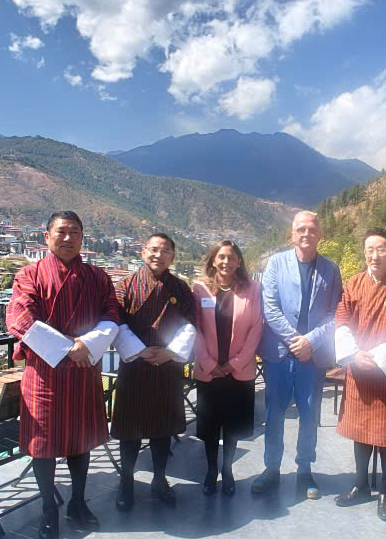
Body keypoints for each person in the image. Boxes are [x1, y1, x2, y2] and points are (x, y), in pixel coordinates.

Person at [7, 211, 120, 539]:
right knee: (43, 447)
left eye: (75, 232)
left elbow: (112, 313)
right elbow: (21, 319)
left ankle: (78, 503)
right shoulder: (29, 275)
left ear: (83, 238)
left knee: (80, 442)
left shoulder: (98, 277)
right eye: (61, 231)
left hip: (84, 370)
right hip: (45, 374)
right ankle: (48, 509)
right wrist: (71, 348)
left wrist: (87, 344)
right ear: (47, 237)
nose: (68, 238)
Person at [252, 211, 342, 499]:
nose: (306, 233)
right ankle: (271, 469)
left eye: (312, 229)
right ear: (292, 234)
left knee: (309, 414)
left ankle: (305, 470)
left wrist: (310, 342)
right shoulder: (276, 263)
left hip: (312, 357)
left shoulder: (331, 269)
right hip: (280, 354)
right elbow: (270, 307)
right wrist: (295, 341)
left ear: (320, 234)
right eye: (300, 229)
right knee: (274, 414)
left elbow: (335, 314)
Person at [332, 228, 386, 522]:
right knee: (361, 431)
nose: (375, 255)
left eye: (381, 249)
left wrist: (379, 358)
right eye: (370, 249)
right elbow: (341, 319)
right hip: (358, 369)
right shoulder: (354, 283)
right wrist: (354, 355)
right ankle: (361, 485)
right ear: (364, 252)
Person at [110, 233, 198, 510]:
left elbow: (191, 323)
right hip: (134, 367)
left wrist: (169, 352)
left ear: (173, 256)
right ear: (143, 252)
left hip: (166, 368)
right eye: (154, 249)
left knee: (163, 431)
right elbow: (115, 322)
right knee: (130, 433)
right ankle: (126, 482)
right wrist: (141, 350)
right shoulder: (125, 286)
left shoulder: (180, 288)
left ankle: (160, 479)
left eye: (165, 251)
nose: (159, 255)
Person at [191, 240, 263, 497]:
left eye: (231, 257)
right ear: (213, 260)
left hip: (238, 372)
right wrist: (209, 363)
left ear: (239, 261)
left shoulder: (253, 289)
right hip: (209, 372)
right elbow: (195, 329)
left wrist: (235, 363)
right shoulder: (199, 289)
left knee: (232, 428)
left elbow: (256, 328)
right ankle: (211, 471)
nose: (226, 262)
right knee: (210, 428)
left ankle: (228, 469)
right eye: (221, 257)